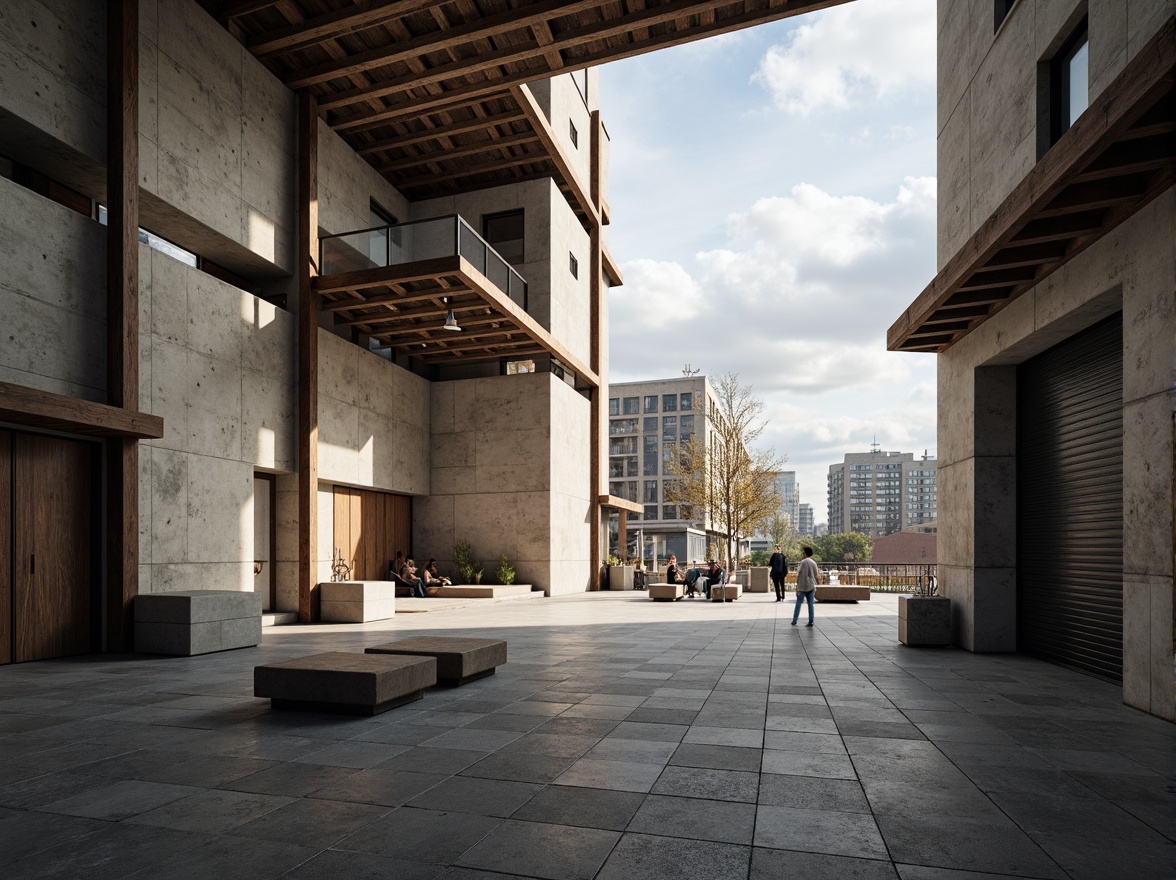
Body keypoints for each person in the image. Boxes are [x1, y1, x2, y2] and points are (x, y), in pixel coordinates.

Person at [792, 546, 817, 626]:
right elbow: (816, 574)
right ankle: (811, 621)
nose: (802, 554)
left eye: (803, 553)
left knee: (798, 603)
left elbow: (799, 574)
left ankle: (795, 620)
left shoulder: (803, 562)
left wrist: (797, 585)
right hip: (811, 585)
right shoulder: (813, 562)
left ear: (805, 554)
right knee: (810, 604)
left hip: (802, 586)